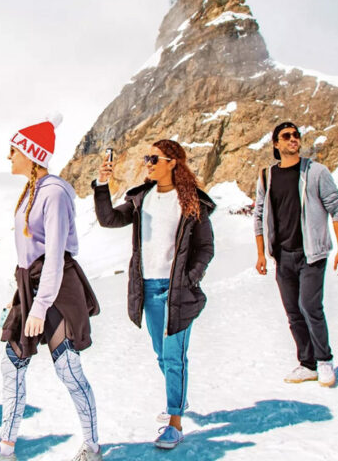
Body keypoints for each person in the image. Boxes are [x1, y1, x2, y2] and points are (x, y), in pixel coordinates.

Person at [0, 116, 103, 461]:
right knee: (11, 365)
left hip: (57, 290)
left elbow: (55, 255)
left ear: (31, 154)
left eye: (13, 150)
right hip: (32, 287)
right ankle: (6, 450)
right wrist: (21, 298)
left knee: (68, 370)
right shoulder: (32, 190)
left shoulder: (54, 193)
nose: (9, 156)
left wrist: (40, 307)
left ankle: (92, 447)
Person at [92, 139, 215, 450]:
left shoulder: (191, 201)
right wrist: (102, 185)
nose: (148, 163)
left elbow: (205, 248)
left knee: (174, 357)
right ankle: (178, 398)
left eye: (154, 158)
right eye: (147, 158)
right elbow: (108, 219)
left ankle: (175, 422)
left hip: (176, 291)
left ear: (173, 163)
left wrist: (190, 278)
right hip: (147, 289)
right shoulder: (141, 198)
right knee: (162, 355)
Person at [254, 122, 338, 388]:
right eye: (286, 136)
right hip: (283, 255)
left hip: (312, 254)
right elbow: (259, 214)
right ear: (276, 143)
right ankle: (307, 364)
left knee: (310, 306)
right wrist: (261, 254)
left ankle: (324, 360)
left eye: (296, 135)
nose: (293, 139)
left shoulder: (316, 172)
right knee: (293, 311)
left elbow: (336, 209)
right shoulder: (267, 176)